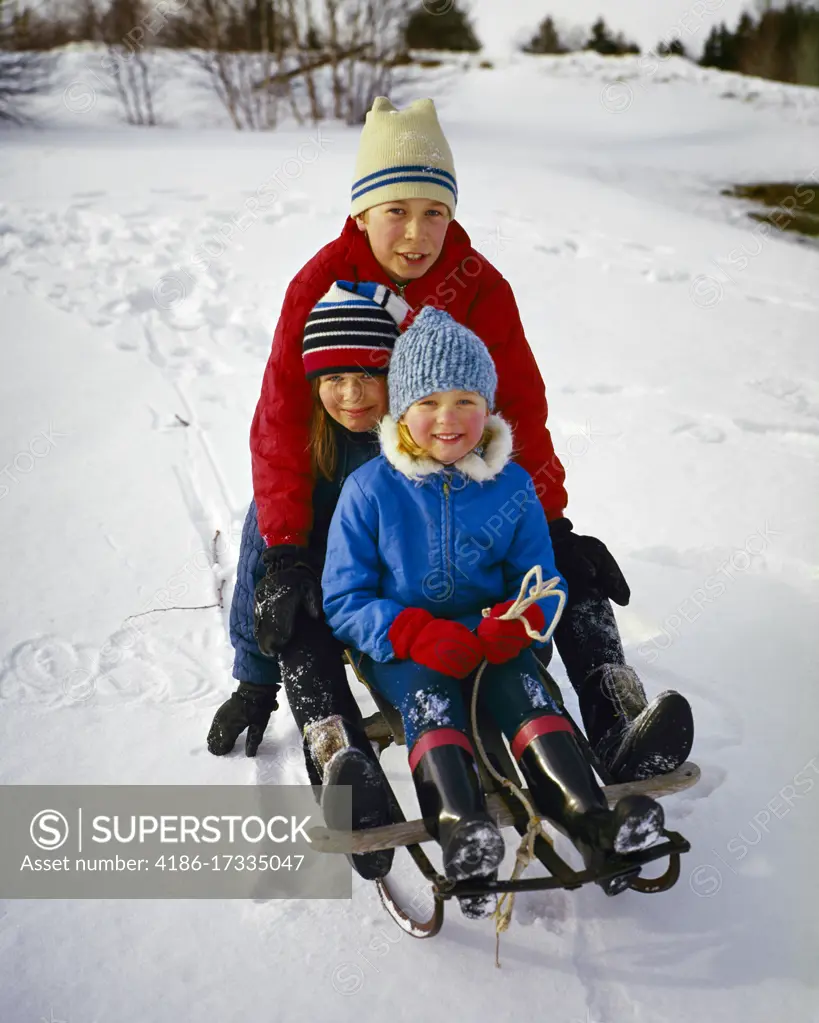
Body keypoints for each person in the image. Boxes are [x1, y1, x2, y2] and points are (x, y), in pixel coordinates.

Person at [209, 94, 692, 791]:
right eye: (395, 211)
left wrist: (552, 521)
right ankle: (290, 706)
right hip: (348, 476)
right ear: (360, 213)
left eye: (433, 211)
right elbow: (280, 423)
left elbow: (520, 408)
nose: (415, 233)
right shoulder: (318, 285)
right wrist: (284, 555)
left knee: (559, 566)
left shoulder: (480, 287)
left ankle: (615, 711)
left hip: (454, 480)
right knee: (277, 545)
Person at [322, 307, 668, 917]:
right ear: (402, 412)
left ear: (488, 409)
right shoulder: (370, 491)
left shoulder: (510, 487)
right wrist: (408, 630)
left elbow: (545, 579)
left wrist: (521, 621)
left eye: (465, 400)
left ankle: (593, 823)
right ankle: (462, 830)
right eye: (429, 402)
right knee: (431, 699)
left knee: (528, 694)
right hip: (407, 649)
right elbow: (344, 602)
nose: (448, 419)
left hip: (494, 640)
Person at [208, 280, 412, 880]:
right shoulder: (300, 461)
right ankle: (341, 763)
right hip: (316, 597)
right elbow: (260, 576)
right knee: (302, 646)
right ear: (312, 383)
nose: (350, 395)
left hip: (394, 605)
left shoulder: (416, 444)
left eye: (368, 376)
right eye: (332, 379)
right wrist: (253, 681)